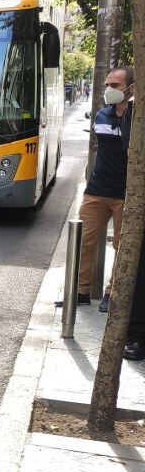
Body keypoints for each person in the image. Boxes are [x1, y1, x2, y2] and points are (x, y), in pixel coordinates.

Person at [76, 66, 134, 310]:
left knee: (122, 247)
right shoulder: (101, 115)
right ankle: (79, 293)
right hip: (97, 190)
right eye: (107, 84)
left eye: (115, 86)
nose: (109, 89)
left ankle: (113, 294)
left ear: (131, 88)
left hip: (126, 193)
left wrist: (130, 113)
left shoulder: (137, 117)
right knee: (82, 242)